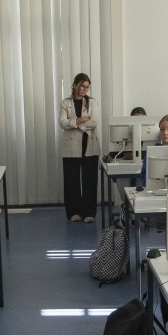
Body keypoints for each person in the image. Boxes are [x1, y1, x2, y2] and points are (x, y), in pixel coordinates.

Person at [59, 73, 100, 223]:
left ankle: (89, 212)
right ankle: (74, 212)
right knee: (72, 180)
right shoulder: (65, 103)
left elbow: (94, 122)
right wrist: (82, 120)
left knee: (90, 179)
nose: (84, 89)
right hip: (71, 145)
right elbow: (62, 123)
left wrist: (76, 124)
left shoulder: (92, 102)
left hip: (89, 144)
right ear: (74, 85)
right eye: (82, 86)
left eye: (87, 87)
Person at [138, 113, 168, 188]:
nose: (165, 133)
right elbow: (144, 177)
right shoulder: (152, 151)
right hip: (156, 190)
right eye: (162, 129)